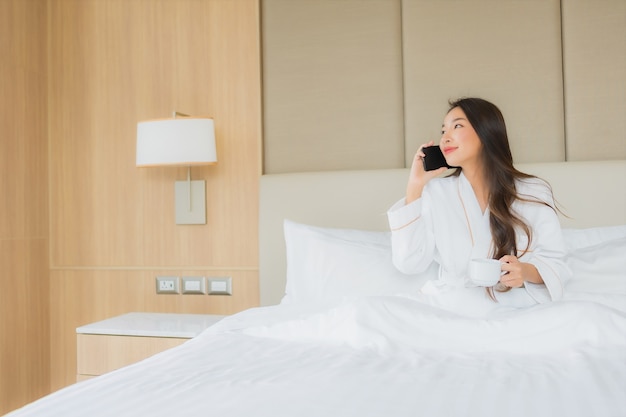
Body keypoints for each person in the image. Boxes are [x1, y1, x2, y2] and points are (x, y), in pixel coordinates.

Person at [387, 97, 570, 306]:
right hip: (453, 305)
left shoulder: (533, 191)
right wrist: (415, 186)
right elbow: (408, 263)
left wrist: (525, 272)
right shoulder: (435, 192)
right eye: (443, 131)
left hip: (513, 306)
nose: (445, 137)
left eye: (457, 126)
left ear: (486, 132)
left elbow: (557, 264)